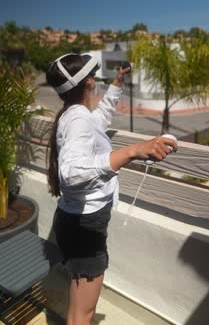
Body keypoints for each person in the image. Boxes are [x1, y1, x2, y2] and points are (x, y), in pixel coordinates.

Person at [46, 52, 177, 325]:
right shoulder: (79, 120)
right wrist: (134, 151)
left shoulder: (75, 114)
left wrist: (118, 82)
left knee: (78, 301)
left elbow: (101, 119)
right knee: (85, 314)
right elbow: (70, 173)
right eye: (92, 75)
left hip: (77, 221)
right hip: (85, 226)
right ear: (89, 82)